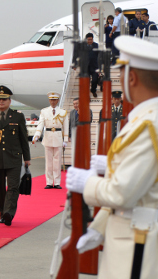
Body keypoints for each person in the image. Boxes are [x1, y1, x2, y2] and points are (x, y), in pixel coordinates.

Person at [65, 36, 158, 279]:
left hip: (137, 241)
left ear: (131, 78)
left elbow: (123, 193)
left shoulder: (148, 125)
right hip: (132, 233)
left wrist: (88, 183)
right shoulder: (146, 120)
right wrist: (99, 226)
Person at [0, 86, 31, 226]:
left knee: (13, 187)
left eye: (4, 99)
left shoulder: (18, 116)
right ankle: (2, 212)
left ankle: (9, 213)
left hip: (14, 157)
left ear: (9, 101)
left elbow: (23, 138)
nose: (1, 102)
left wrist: (27, 158)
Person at [32, 92, 68, 189]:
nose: (53, 102)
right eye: (51, 100)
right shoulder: (44, 111)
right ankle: (48, 182)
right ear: (49, 100)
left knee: (57, 161)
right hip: (47, 137)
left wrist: (65, 140)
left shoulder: (63, 111)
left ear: (57, 100)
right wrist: (37, 135)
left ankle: (56, 182)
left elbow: (66, 126)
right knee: (48, 162)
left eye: (55, 100)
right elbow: (41, 124)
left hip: (58, 137)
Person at [85, 33, 99, 98]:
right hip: (86, 67)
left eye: (91, 39)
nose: (90, 41)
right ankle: (87, 95)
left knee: (95, 80)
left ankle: (93, 90)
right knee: (86, 82)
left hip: (95, 66)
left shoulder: (96, 45)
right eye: (88, 40)